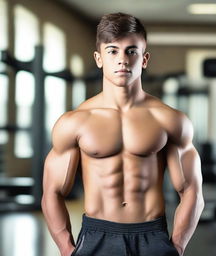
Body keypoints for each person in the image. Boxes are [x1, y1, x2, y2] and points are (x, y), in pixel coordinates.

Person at [41, 12, 204, 256]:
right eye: (112, 51)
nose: (122, 60)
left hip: (152, 235)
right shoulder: (75, 122)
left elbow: (192, 189)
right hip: (96, 234)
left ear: (144, 58)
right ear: (99, 58)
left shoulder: (170, 120)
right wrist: (66, 248)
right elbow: (51, 191)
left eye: (131, 51)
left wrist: (177, 246)